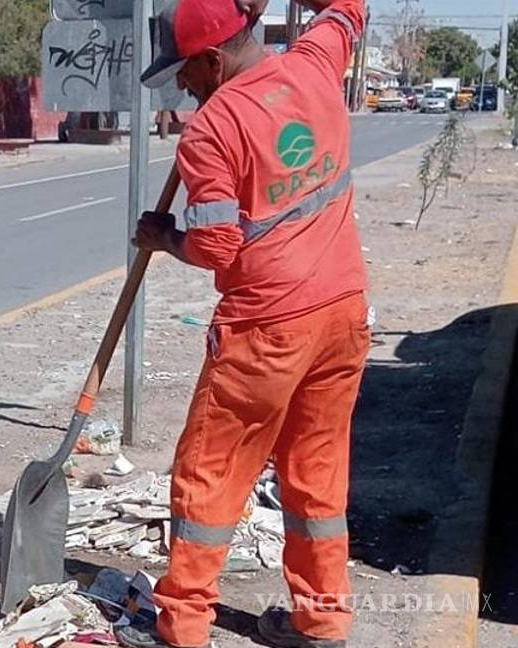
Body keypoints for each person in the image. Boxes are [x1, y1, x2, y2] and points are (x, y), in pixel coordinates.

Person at [125, 0, 369, 646]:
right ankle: (321, 620)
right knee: (317, 470)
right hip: (343, 312)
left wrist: (164, 235)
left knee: (211, 468)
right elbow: (346, 8)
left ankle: (181, 625)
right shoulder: (316, 62)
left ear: (212, 58)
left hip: (267, 327)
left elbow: (216, 248)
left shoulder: (212, 129)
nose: (183, 85)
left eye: (185, 72)